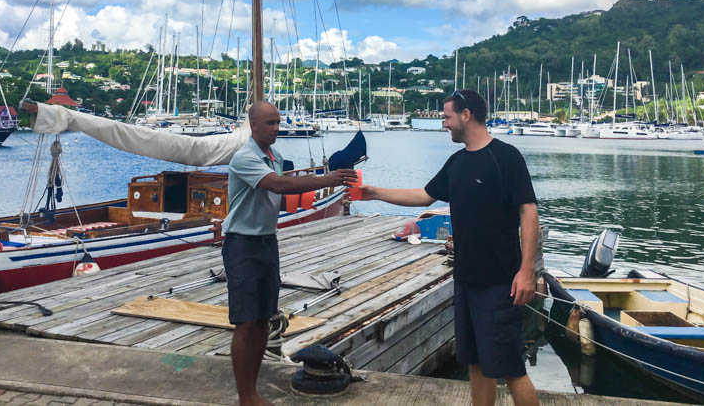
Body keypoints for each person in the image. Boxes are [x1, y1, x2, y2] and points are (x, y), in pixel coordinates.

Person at [357, 90, 540, 406]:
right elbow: (425, 196)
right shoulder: (457, 163)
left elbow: (529, 212)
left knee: (511, 369)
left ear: (466, 115)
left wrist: (526, 271)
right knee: (475, 362)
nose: (443, 123)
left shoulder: (505, 157)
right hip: (465, 280)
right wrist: (375, 192)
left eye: (446, 117)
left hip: (499, 284)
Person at [223, 100, 357, 406]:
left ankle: (252, 391)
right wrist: (327, 179)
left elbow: (280, 193)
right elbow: (278, 185)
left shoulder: (275, 156)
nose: (276, 128)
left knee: (262, 320)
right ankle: (246, 397)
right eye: (269, 123)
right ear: (253, 125)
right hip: (243, 244)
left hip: (267, 242)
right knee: (245, 322)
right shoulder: (244, 158)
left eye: (278, 122)